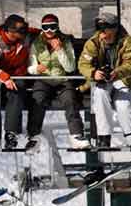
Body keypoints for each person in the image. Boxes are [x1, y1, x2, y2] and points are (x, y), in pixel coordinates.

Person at [78, 12, 131, 159]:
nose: (103, 34)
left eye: (106, 30)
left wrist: (117, 72)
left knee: (123, 105)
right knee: (99, 94)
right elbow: (83, 64)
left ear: (114, 29)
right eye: (100, 30)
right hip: (102, 81)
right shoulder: (94, 43)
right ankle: (104, 137)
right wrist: (94, 73)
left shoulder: (128, 42)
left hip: (123, 80)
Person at [25, 13, 90, 152]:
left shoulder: (65, 42)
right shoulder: (37, 43)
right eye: (45, 27)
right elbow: (30, 67)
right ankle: (34, 137)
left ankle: (76, 135)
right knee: (38, 99)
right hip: (44, 79)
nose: (49, 31)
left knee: (70, 99)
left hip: (62, 79)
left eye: (52, 27)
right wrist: (36, 68)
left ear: (58, 27)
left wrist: (60, 50)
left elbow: (70, 67)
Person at [0, 14, 38, 151]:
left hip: (17, 76)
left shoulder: (25, 36)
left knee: (17, 89)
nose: (20, 35)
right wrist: (4, 78)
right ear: (8, 31)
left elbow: (44, 32)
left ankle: (11, 133)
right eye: (17, 32)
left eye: (22, 31)